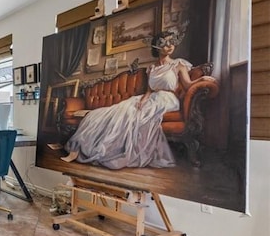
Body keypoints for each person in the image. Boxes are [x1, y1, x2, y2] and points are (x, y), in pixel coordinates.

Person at [60, 28, 216, 169]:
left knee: (132, 115)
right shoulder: (152, 68)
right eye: (165, 43)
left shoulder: (178, 64)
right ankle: (79, 148)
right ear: (157, 47)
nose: (169, 46)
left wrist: (202, 80)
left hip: (166, 100)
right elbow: (150, 89)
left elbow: (188, 85)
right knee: (109, 112)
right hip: (150, 97)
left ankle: (104, 150)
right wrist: (143, 99)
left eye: (172, 42)